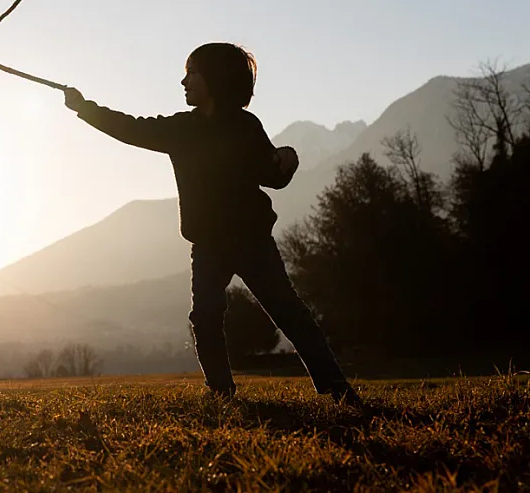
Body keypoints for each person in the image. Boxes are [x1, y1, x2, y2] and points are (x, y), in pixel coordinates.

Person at [62, 42, 360, 405]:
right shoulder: (181, 128)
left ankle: (336, 390)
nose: (183, 81)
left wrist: (288, 159)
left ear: (215, 79)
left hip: (251, 242)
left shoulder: (245, 126)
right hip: (207, 244)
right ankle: (221, 394)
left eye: (192, 73)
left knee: (289, 313)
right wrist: (83, 108)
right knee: (205, 318)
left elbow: (272, 175)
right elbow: (129, 128)